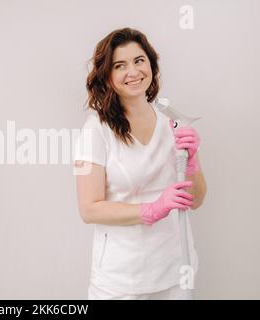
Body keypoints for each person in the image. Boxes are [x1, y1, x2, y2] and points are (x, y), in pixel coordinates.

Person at [73, 27, 207, 300]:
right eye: (120, 65)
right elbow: (89, 210)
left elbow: (196, 200)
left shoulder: (172, 121)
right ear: (108, 77)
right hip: (121, 279)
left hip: (176, 269)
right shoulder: (95, 130)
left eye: (139, 60)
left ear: (151, 64)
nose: (133, 72)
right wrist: (151, 209)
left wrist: (192, 162)